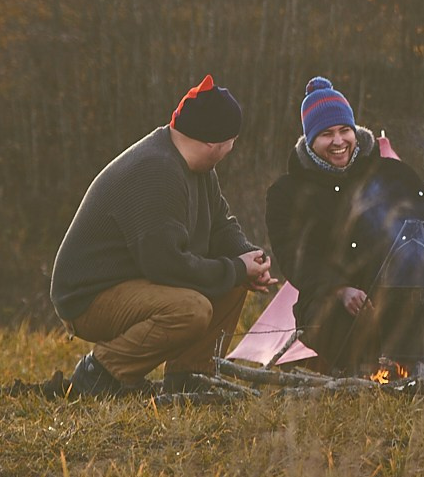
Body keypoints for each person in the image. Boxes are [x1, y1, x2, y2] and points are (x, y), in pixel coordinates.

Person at [51, 75, 276, 396]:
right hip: (89, 297)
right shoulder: (156, 171)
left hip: (136, 282)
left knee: (233, 278)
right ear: (214, 142)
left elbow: (220, 224)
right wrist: (237, 267)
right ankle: (98, 373)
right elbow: (166, 266)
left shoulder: (197, 167)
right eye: (232, 140)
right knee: (191, 309)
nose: (232, 148)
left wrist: (248, 257)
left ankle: (191, 377)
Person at [265, 77, 424, 374]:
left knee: (417, 295)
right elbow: (293, 256)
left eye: (344, 130)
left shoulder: (394, 176)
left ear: (355, 130)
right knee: (330, 317)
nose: (338, 141)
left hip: (403, 299)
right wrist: (337, 288)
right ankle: (358, 374)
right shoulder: (287, 192)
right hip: (332, 305)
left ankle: (413, 371)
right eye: (326, 134)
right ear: (310, 141)